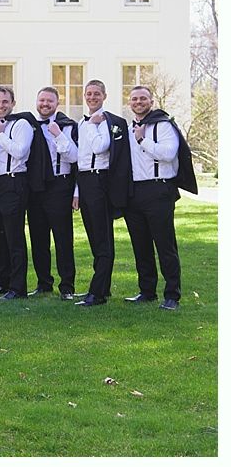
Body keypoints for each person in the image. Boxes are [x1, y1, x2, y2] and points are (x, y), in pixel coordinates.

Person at [122, 85, 197, 310]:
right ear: (129, 103)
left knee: (165, 244)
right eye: (134, 99)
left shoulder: (163, 125)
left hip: (159, 191)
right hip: (134, 193)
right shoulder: (127, 128)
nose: (138, 102)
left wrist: (142, 140)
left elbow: (168, 154)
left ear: (151, 101)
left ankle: (172, 295)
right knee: (140, 245)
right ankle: (147, 291)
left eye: (143, 98)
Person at [72, 80, 130, 307]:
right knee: (95, 237)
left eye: (97, 94)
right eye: (89, 94)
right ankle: (102, 289)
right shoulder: (82, 122)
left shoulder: (104, 121)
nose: (92, 97)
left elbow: (100, 147)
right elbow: (81, 159)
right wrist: (77, 190)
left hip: (99, 180)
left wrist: (95, 126)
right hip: (85, 180)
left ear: (104, 96)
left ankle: (96, 293)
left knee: (102, 238)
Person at [26, 87, 79, 300]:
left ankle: (67, 286)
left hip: (60, 185)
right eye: (41, 100)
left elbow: (75, 158)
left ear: (57, 104)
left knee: (63, 237)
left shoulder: (68, 126)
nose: (45, 104)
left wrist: (57, 134)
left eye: (49, 101)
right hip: (36, 187)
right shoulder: (28, 126)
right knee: (38, 237)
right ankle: (43, 283)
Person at [0, 86, 33, 301]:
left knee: (14, 237)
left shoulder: (22, 124)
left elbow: (20, 152)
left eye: (5, 102)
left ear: (13, 103)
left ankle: (18, 287)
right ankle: (2, 282)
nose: (0, 106)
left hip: (13, 182)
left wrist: (1, 136)